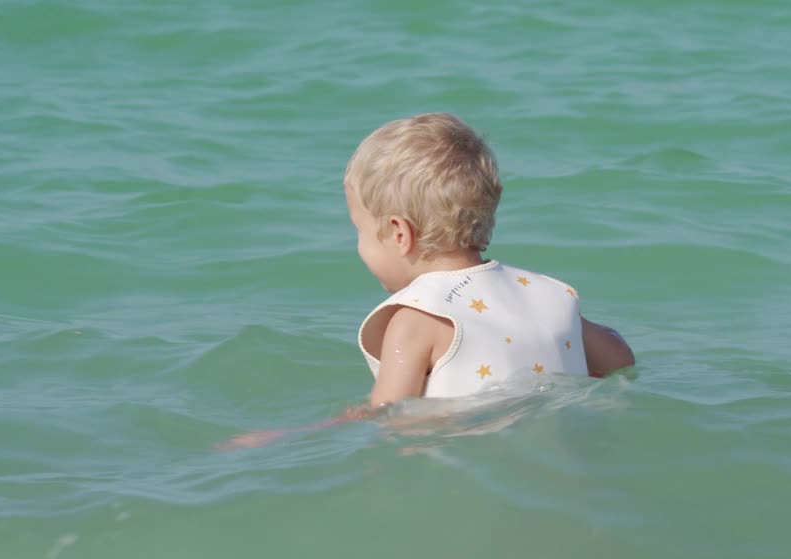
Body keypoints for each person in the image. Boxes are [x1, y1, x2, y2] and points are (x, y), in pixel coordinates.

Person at [220, 113, 632, 450]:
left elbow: (387, 418)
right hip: (569, 453)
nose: (359, 245)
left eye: (359, 230)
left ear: (400, 234)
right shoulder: (547, 295)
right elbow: (619, 360)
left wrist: (283, 438)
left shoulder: (417, 318)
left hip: (476, 471)